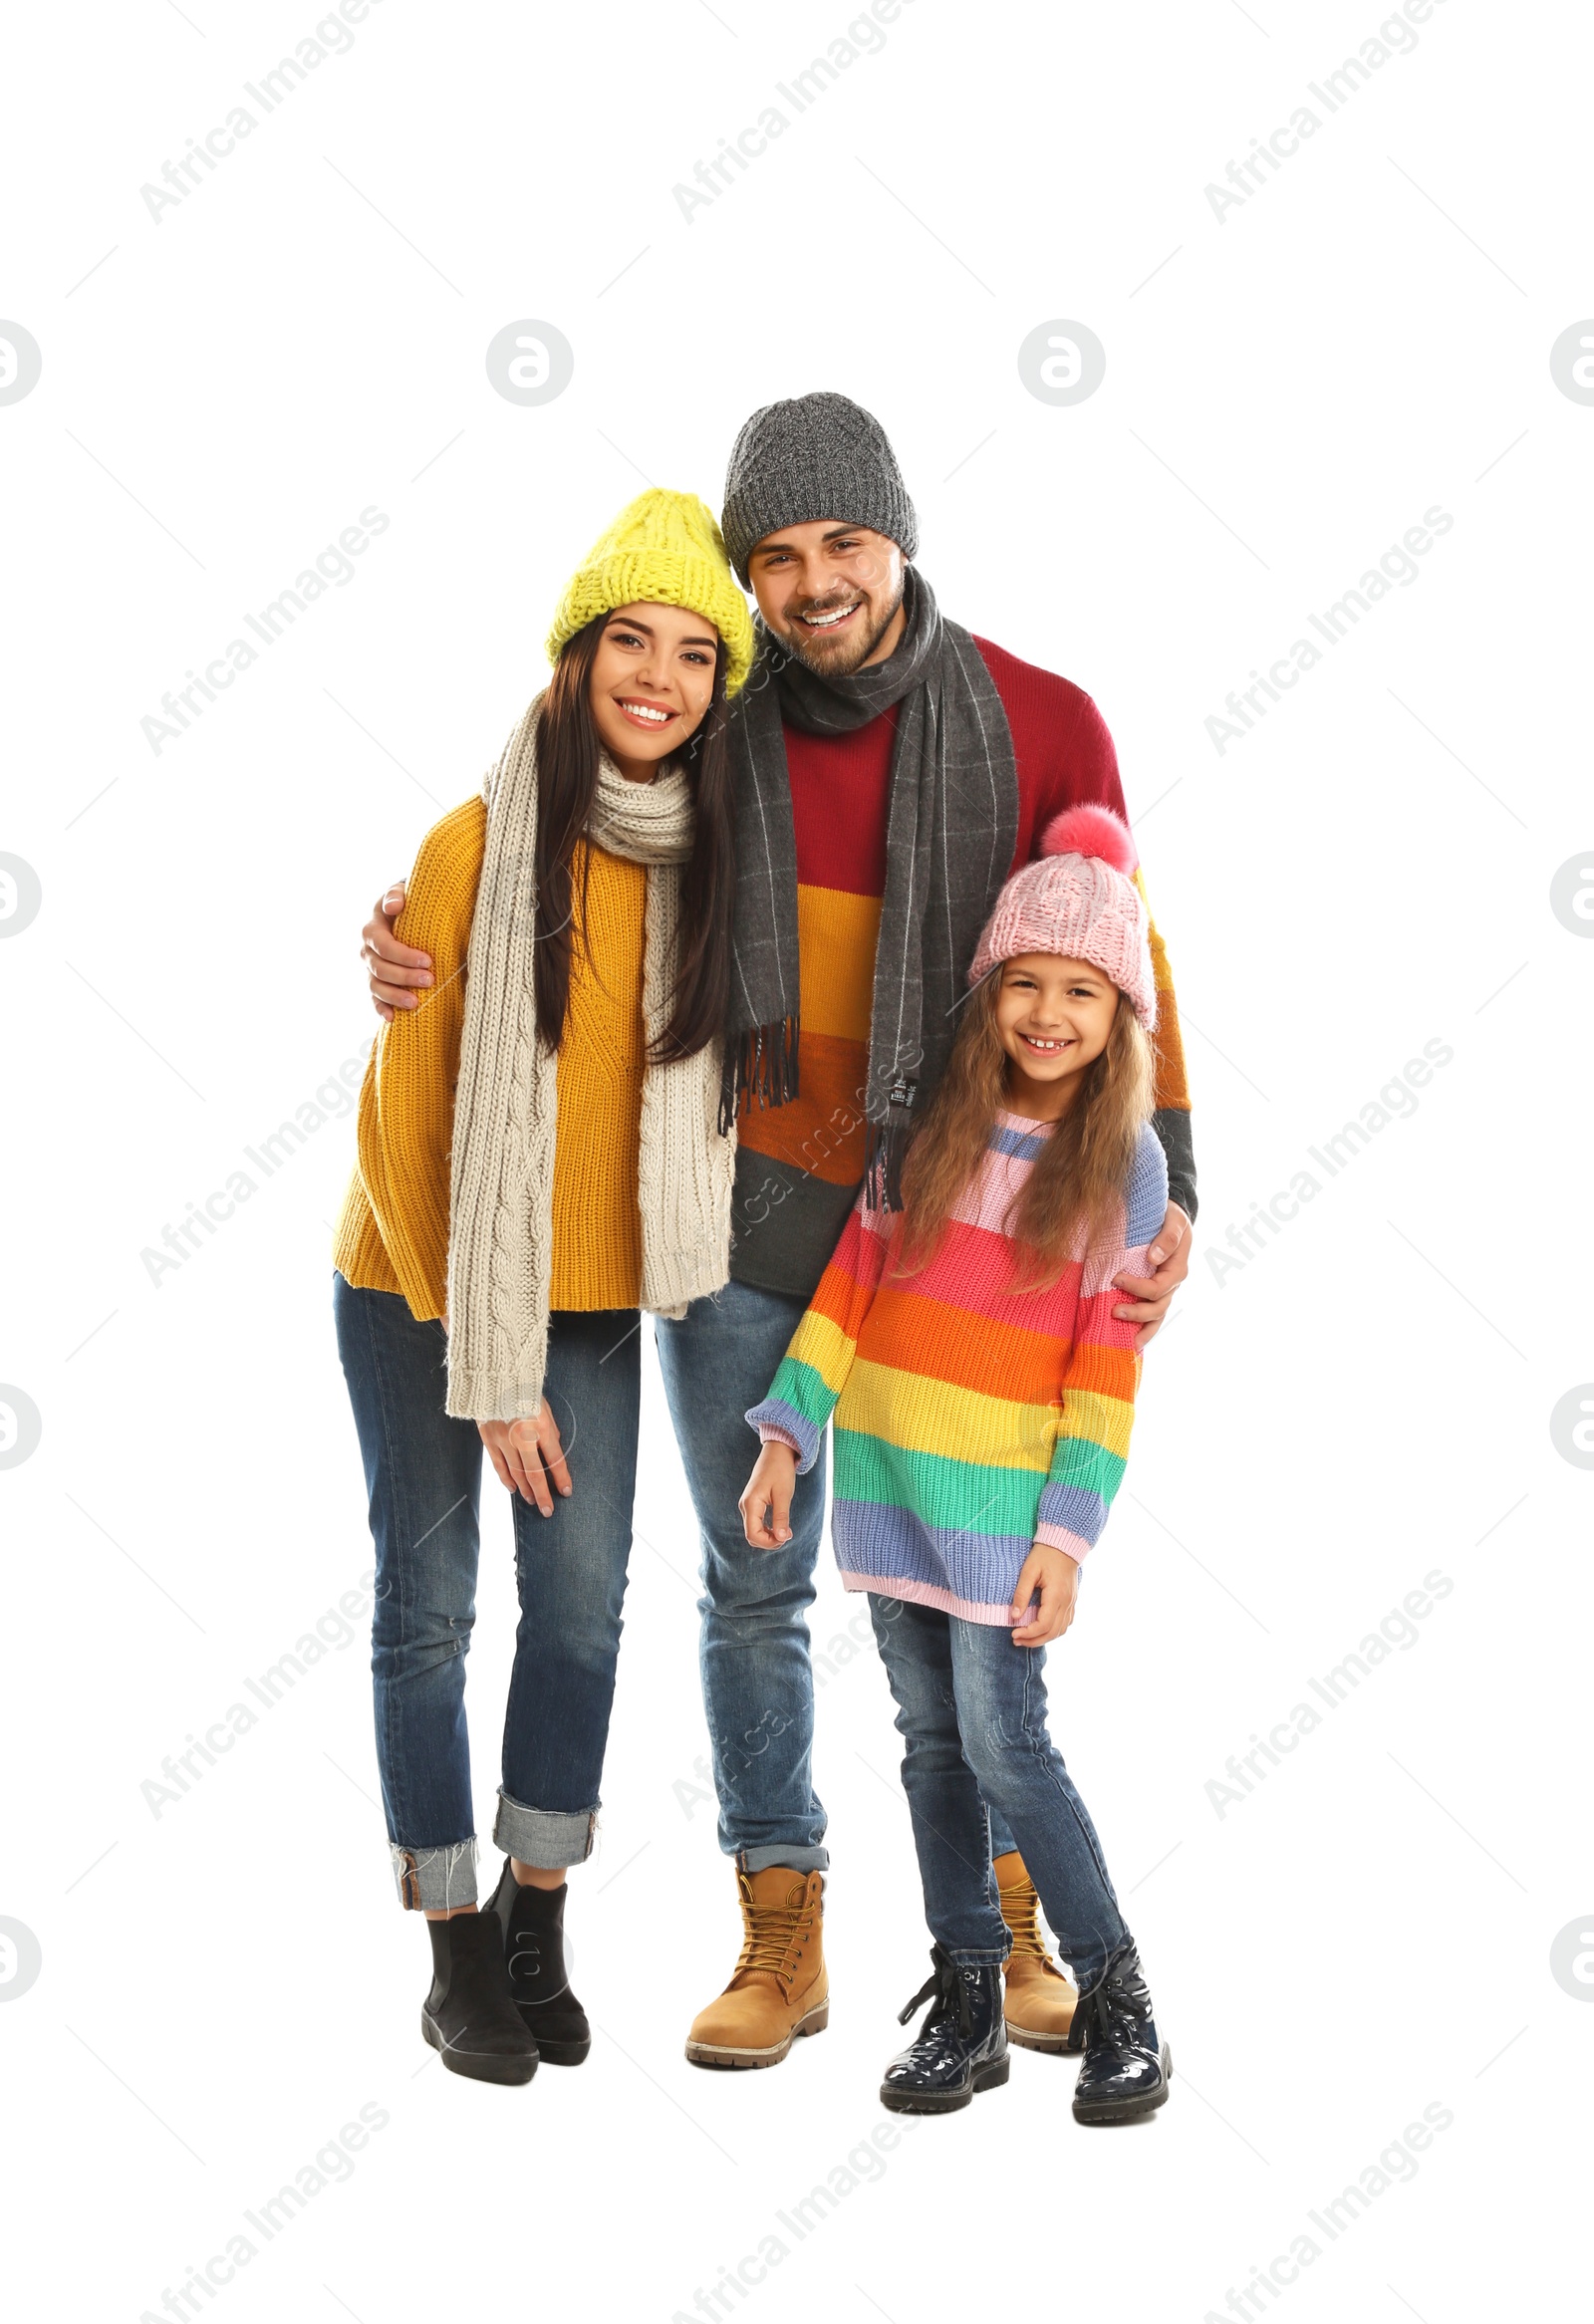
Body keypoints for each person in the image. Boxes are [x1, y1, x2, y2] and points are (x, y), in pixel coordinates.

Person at [359, 393, 1196, 2069]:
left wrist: (1170, 1178)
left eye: (845, 543)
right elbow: (549, 830)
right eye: (781, 556)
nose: (815, 582)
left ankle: (1011, 1930)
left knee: (969, 1587)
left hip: (973, 1231)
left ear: (900, 535)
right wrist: (410, 937)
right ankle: (782, 1925)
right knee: (757, 1586)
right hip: (741, 1227)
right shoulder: (720, 724)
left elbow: (1124, 962)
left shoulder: (1043, 719)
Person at [333, 490, 754, 2083]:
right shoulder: (470, 847)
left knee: (579, 1615)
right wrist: (487, 1365)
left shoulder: (720, 865)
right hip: (416, 1286)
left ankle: (535, 1915)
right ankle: (452, 1949)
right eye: (626, 640)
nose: (656, 674)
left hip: (587, 1297)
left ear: (723, 688)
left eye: (694, 653)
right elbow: (403, 1130)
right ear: (575, 659)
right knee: (429, 1612)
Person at [741, 804, 1173, 2123]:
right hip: (889, 1483)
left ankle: (1115, 1994)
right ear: (989, 993)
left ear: (1118, 1019)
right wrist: (785, 1430)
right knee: (932, 1743)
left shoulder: (1122, 1174)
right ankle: (969, 1992)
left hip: (1004, 1507)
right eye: (1026, 983)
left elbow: (1105, 1376)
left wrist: (1065, 1536)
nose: (1048, 1012)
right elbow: (849, 1288)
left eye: (1081, 991)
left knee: (1008, 1742)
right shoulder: (926, 1132)